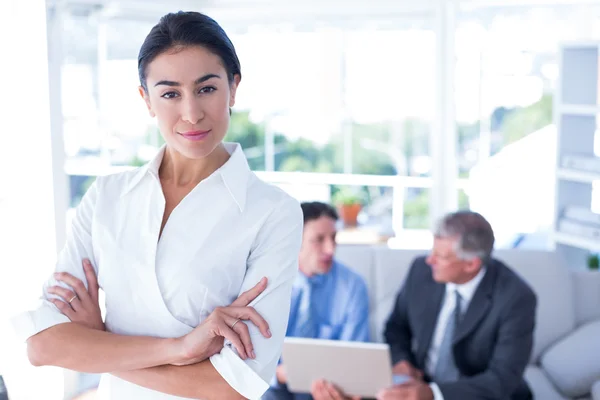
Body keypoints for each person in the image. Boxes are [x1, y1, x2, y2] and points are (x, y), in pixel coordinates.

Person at [11, 11, 304, 400]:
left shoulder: (273, 213)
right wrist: (181, 348)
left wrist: (99, 345)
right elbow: (43, 346)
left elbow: (234, 385)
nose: (191, 113)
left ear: (233, 88)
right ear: (146, 99)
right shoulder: (106, 197)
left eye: (207, 89)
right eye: (169, 93)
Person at [379, 211, 537, 400]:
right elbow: (396, 327)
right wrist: (401, 360)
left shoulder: (516, 298)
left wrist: (433, 394)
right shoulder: (421, 270)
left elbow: (502, 378)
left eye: (441, 256)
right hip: (421, 385)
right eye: (432, 251)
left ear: (471, 264)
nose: (430, 260)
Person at [263, 202, 370, 400]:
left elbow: (355, 358)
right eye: (319, 240)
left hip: (330, 389)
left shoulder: (353, 286)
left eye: (333, 238)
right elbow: (250, 359)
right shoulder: (267, 283)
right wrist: (279, 374)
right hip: (273, 385)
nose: (330, 249)